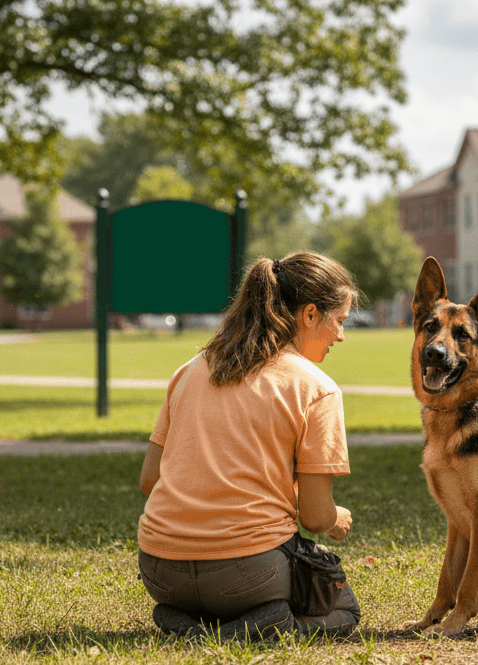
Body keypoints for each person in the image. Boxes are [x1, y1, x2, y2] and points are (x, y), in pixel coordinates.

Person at [137, 251, 362, 640]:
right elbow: (314, 517)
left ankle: (184, 621)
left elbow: (149, 481)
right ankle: (263, 623)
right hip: (248, 576)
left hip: (161, 571)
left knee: (203, 592)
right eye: (339, 321)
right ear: (309, 315)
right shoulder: (316, 387)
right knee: (345, 609)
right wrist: (335, 516)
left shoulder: (189, 371)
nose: (340, 335)